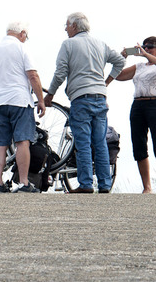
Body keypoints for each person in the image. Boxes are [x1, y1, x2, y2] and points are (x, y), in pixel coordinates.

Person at [44, 12, 126, 193]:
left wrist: (50, 94)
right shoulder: (100, 44)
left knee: (82, 142)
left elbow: (60, 73)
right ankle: (105, 185)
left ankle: (86, 184)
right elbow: (120, 61)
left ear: (74, 26)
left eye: (67, 25)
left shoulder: (68, 44)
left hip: (81, 98)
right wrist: (106, 82)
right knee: (100, 142)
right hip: (100, 97)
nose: (65, 29)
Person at [0, 21, 46, 193]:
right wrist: (40, 100)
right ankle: (24, 183)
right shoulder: (21, 48)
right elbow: (33, 75)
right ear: (22, 33)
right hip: (18, 101)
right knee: (22, 142)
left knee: (0, 143)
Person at [115, 36, 156, 193]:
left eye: (150, 47)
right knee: (139, 145)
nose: (146, 49)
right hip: (139, 105)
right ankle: (147, 187)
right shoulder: (139, 66)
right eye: (145, 47)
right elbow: (119, 76)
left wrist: (146, 55)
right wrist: (122, 58)